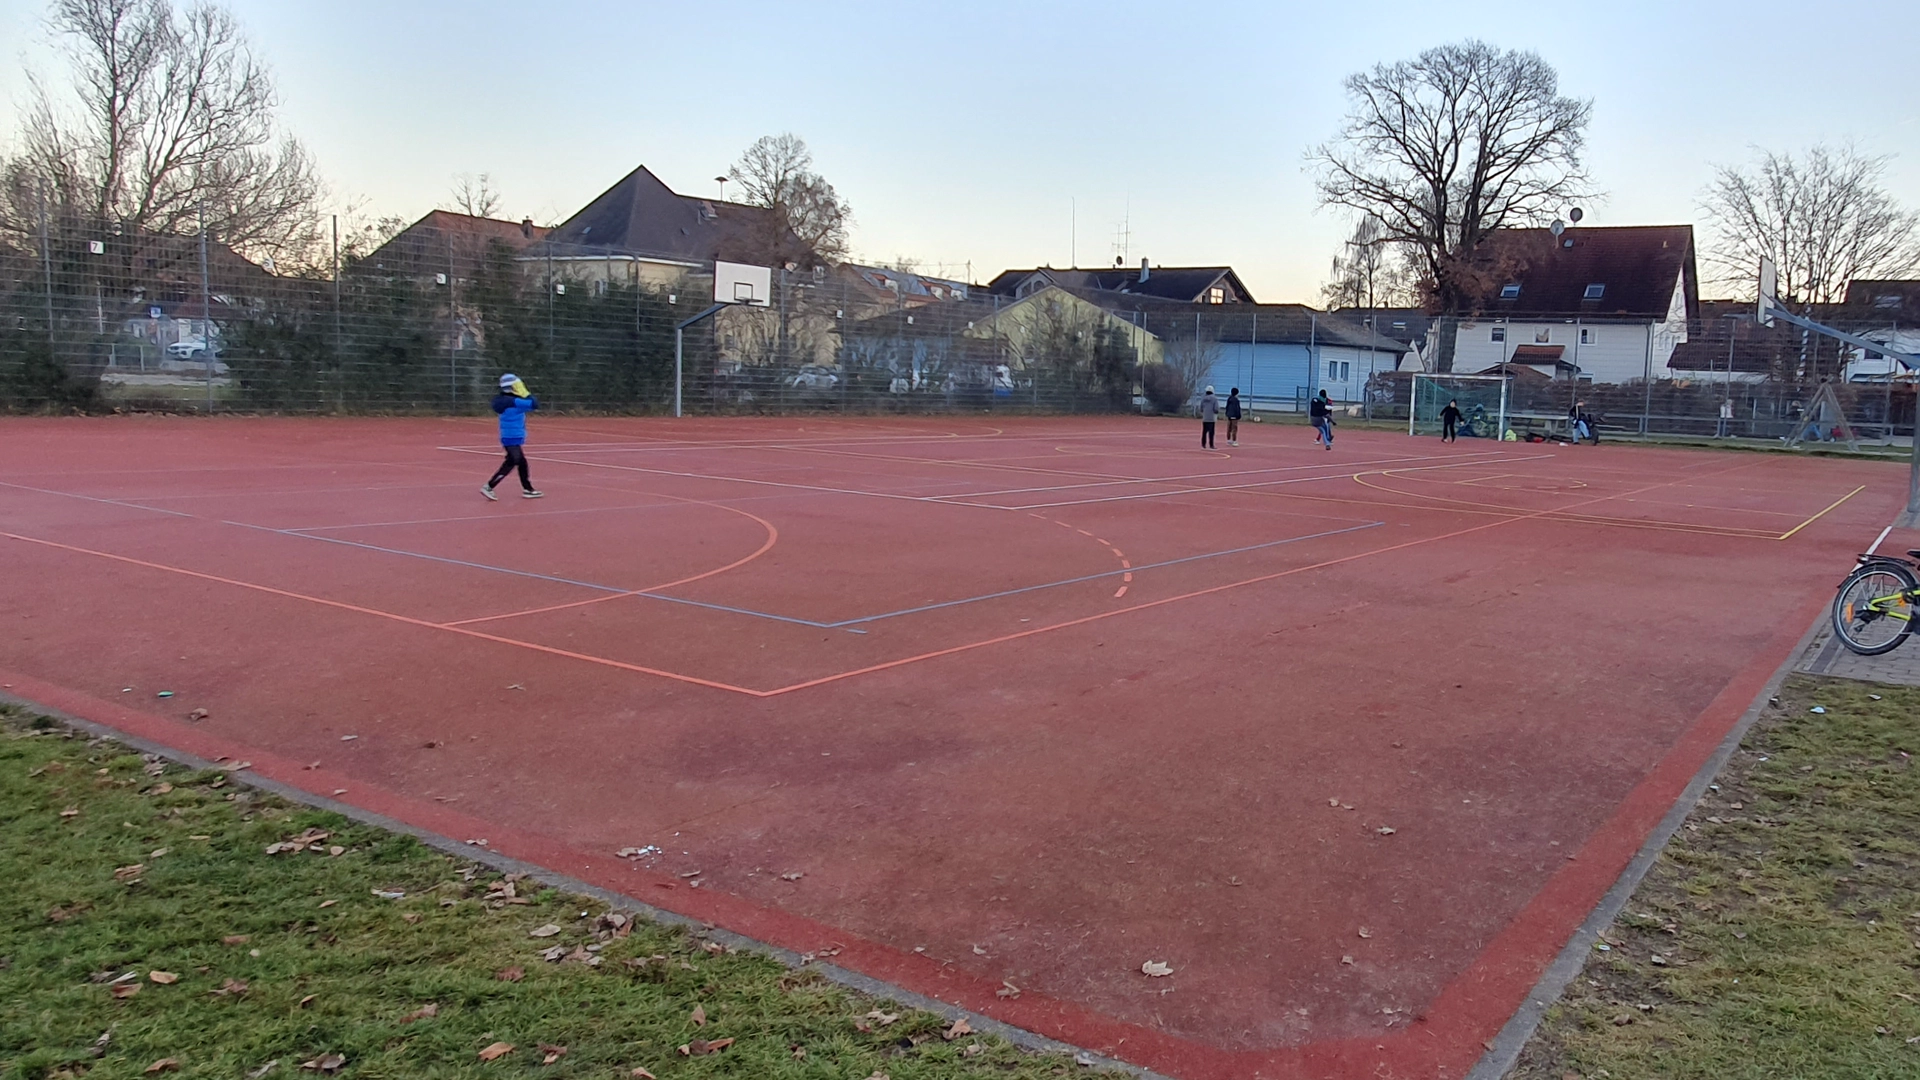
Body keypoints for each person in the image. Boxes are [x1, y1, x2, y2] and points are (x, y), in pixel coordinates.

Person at [483, 373, 543, 500]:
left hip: (509, 435)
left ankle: (528, 489)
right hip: (512, 436)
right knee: (513, 460)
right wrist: (525, 392)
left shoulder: (503, 400)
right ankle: (489, 486)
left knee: (521, 462)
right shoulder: (514, 401)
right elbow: (534, 404)